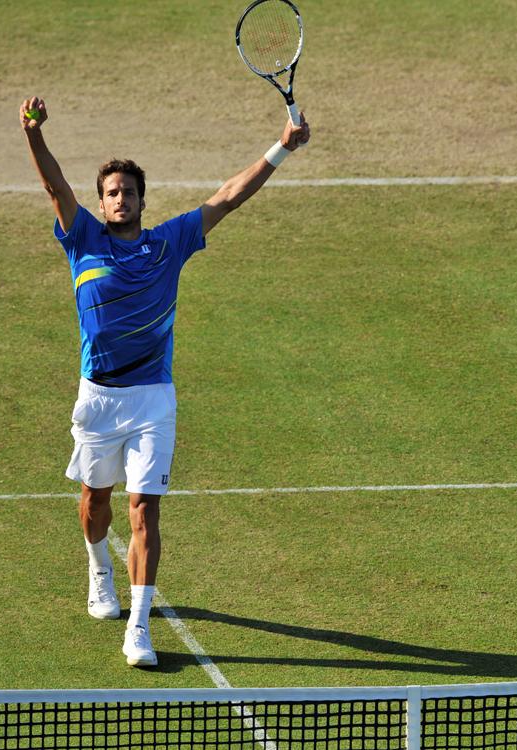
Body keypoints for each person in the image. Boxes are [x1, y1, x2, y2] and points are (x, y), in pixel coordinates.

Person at [20, 96, 310, 667]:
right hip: (99, 398)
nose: (119, 199)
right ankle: (99, 566)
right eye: (110, 193)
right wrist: (33, 134)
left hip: (154, 396)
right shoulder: (82, 238)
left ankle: (138, 626)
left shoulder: (168, 242)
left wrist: (282, 146)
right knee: (94, 501)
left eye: (128, 191)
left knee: (144, 509)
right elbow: (56, 187)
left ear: (141, 200)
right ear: (100, 203)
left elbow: (227, 197)